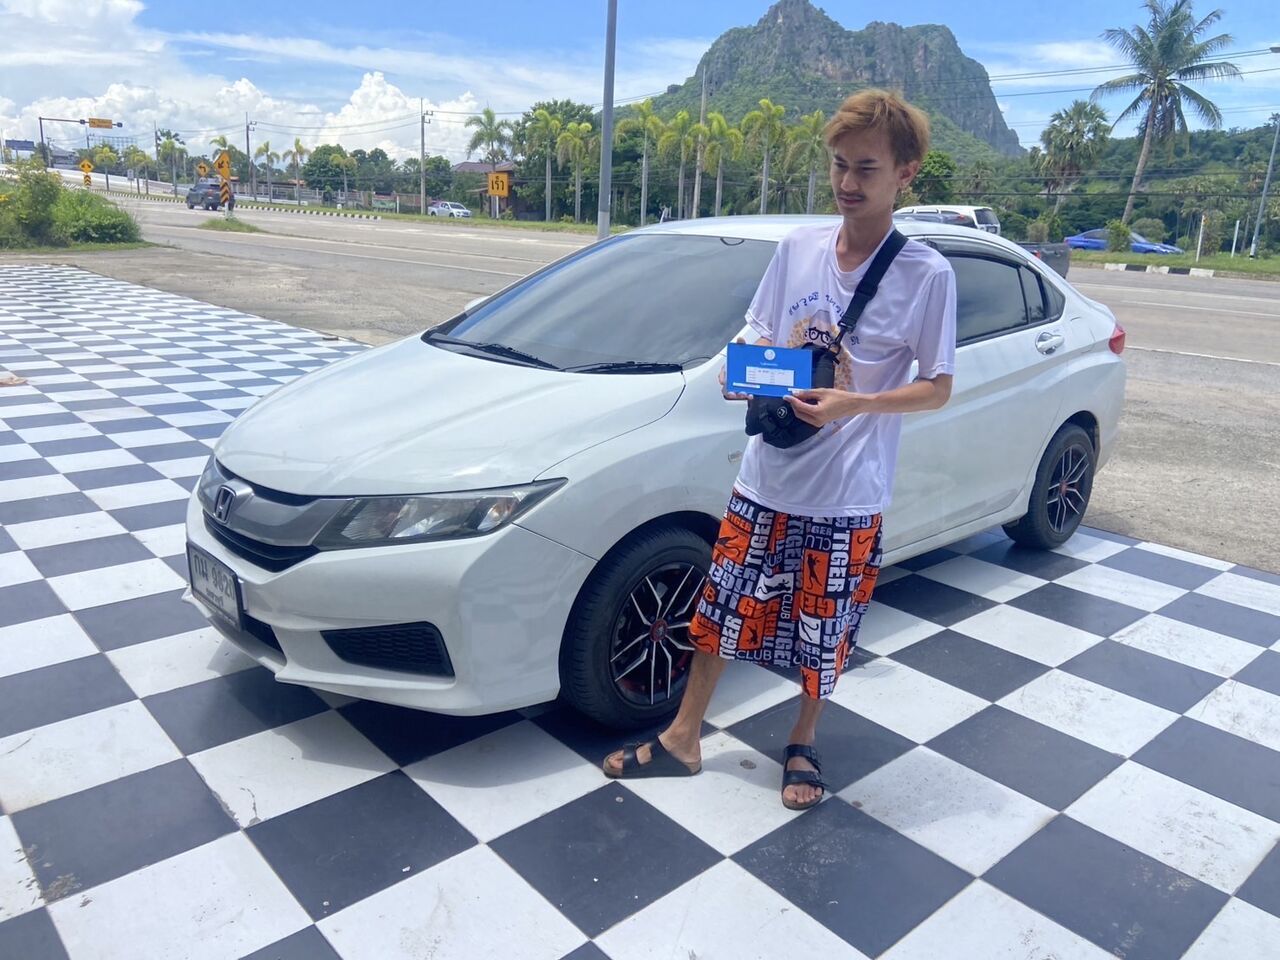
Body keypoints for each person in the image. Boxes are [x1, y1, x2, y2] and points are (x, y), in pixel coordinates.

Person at [603, 89, 957, 810]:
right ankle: (683, 737)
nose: (848, 182)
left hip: (847, 493)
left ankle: (802, 740)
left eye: (866, 168)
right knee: (719, 610)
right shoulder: (798, 249)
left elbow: (938, 387)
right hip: (765, 478)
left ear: (905, 173)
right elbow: (761, 332)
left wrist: (857, 403)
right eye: (839, 165)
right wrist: (741, 372)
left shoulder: (926, 275)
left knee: (824, 630)